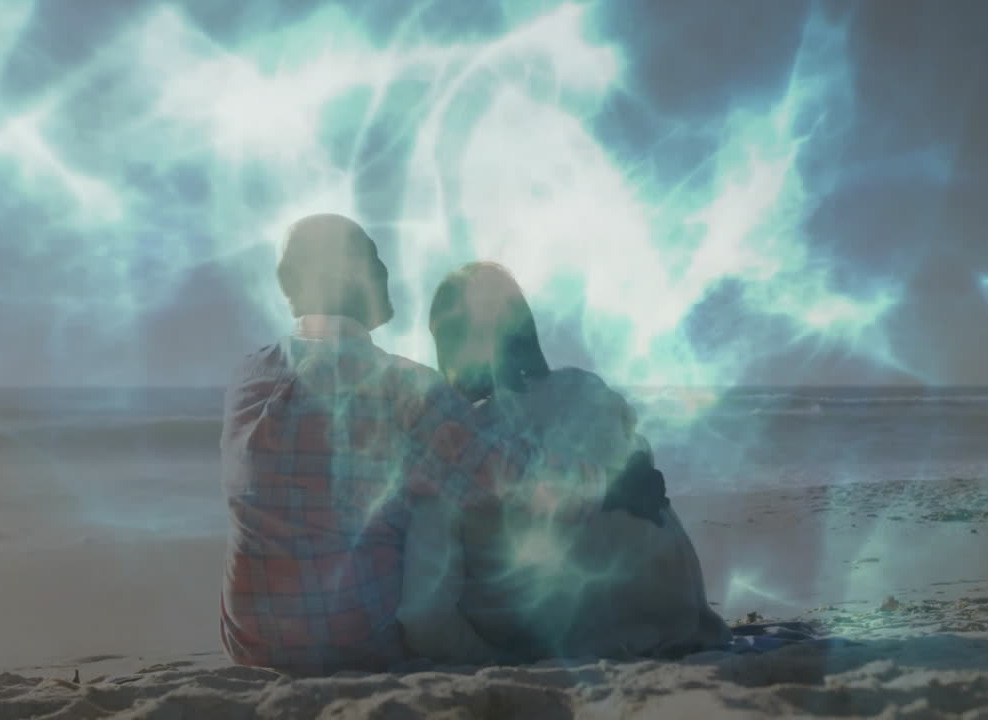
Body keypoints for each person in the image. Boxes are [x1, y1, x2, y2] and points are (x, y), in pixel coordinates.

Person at [219, 214, 666, 676]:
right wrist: (614, 483)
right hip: (359, 643)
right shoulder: (404, 387)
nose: (386, 272)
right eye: (374, 259)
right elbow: (515, 477)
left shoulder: (247, 379)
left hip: (250, 644)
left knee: (416, 499)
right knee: (452, 513)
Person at [397, 262, 731, 663]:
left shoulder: (454, 444)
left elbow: (422, 615)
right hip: (673, 618)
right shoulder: (586, 391)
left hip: (555, 642)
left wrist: (493, 662)